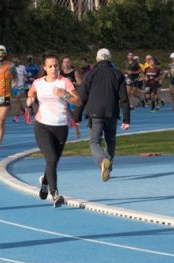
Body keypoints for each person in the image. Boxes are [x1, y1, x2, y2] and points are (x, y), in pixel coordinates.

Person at [28, 53, 81, 208]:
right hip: (42, 125)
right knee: (51, 159)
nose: (54, 69)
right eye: (50, 66)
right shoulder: (38, 82)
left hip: (61, 127)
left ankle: (44, 182)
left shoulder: (65, 82)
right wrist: (30, 98)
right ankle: (55, 194)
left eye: (56, 65)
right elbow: (31, 92)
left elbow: (77, 101)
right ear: (44, 68)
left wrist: (64, 95)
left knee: (53, 161)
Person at [76, 48, 130, 182]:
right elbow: (124, 98)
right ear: (110, 59)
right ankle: (108, 167)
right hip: (112, 112)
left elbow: (82, 97)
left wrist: (77, 116)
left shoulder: (90, 74)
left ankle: (102, 161)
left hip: (94, 113)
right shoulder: (118, 74)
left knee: (95, 141)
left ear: (97, 59)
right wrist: (126, 119)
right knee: (110, 141)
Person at [59, 56, 83, 138]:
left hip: (71, 95)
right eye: (65, 62)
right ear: (62, 63)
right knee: (62, 112)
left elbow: (80, 82)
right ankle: (60, 132)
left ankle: (77, 129)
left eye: (68, 62)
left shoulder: (74, 72)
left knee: (73, 113)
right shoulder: (60, 73)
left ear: (70, 63)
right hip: (63, 95)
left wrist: (75, 83)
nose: (66, 63)